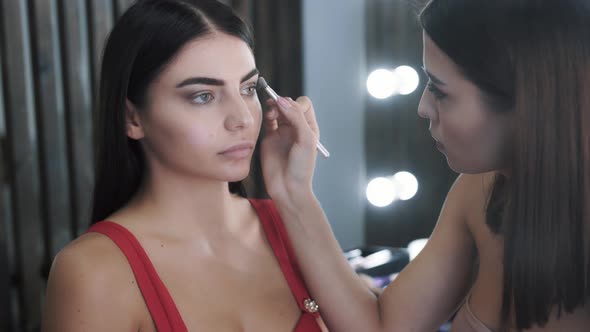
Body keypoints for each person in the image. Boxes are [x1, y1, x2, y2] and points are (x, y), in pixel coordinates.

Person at [259, 0, 590, 331]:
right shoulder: (479, 192)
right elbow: (382, 326)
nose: (423, 108)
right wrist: (294, 192)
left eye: (440, 91)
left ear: (526, 101)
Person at [41, 0, 327, 331]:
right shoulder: (94, 273)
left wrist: (297, 195)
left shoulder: (293, 226)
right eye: (203, 96)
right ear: (132, 118)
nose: (243, 119)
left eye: (248, 89)